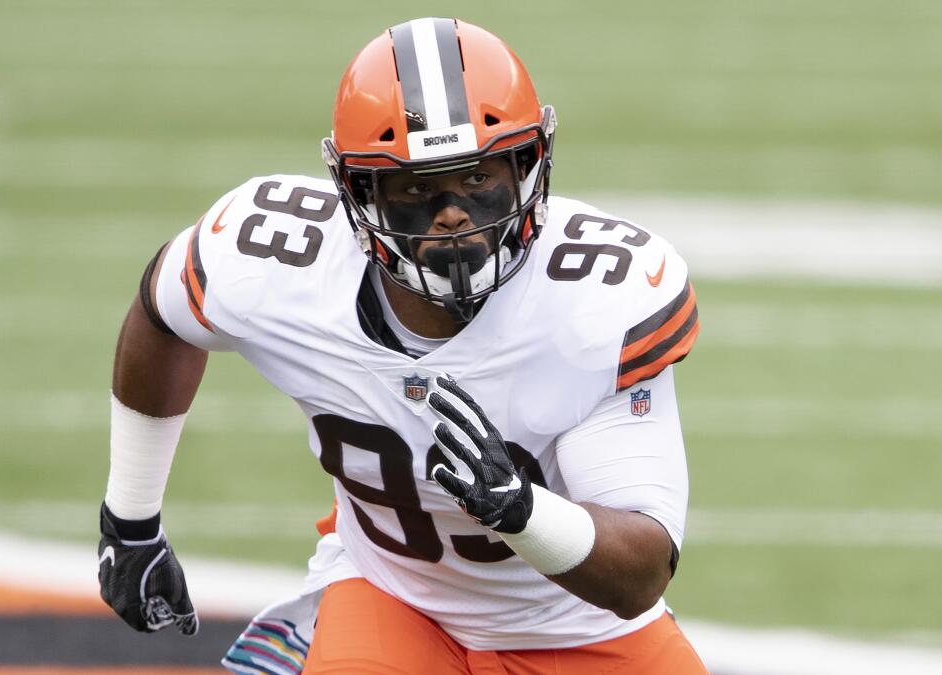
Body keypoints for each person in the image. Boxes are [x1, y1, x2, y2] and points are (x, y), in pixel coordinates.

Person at [96, 16, 707, 675]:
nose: (453, 213)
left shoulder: (594, 302)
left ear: (528, 164)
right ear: (358, 193)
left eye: (478, 178)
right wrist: (129, 520)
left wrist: (525, 510)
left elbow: (639, 574)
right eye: (418, 187)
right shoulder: (276, 263)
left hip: (576, 626)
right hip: (393, 599)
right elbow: (163, 313)